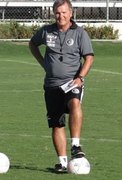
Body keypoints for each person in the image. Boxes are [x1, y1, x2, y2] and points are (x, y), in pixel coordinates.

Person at [29, 0, 94, 173]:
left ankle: (75, 145)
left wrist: (80, 77)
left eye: (64, 12)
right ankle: (62, 163)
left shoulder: (80, 33)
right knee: (57, 123)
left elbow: (89, 58)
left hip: (71, 82)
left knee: (74, 103)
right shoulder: (46, 31)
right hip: (51, 84)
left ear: (71, 13)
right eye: (57, 13)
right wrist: (43, 63)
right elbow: (32, 44)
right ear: (53, 13)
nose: (61, 16)